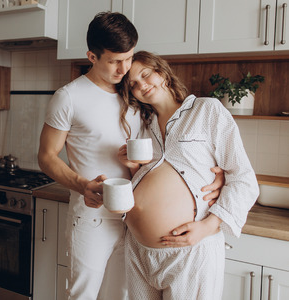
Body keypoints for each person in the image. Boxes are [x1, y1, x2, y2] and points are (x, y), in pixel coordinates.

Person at [38, 12, 225, 300]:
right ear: (92, 56)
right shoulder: (69, 97)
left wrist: (217, 171)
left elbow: (173, 146)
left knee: (118, 296)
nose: (124, 68)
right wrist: (81, 185)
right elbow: (46, 156)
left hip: (133, 222)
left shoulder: (135, 95)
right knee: (82, 296)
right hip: (92, 218)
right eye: (114, 61)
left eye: (129, 57)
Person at [116, 51, 259, 299]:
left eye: (146, 74)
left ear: (162, 71)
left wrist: (209, 225)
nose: (142, 85)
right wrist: (131, 167)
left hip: (190, 251)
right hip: (138, 250)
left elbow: (242, 177)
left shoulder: (206, 110)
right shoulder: (143, 126)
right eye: (133, 85)